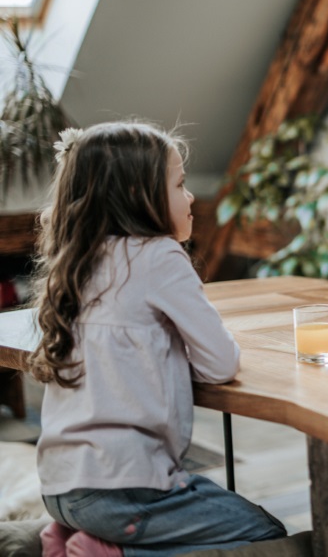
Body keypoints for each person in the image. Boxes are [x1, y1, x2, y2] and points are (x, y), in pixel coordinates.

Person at [29, 122, 289, 556]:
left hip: (60, 486)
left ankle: (74, 535)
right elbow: (220, 364)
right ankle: (115, 552)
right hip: (124, 489)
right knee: (264, 531)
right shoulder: (158, 254)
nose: (190, 198)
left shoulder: (77, 260)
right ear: (138, 195)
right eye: (181, 184)